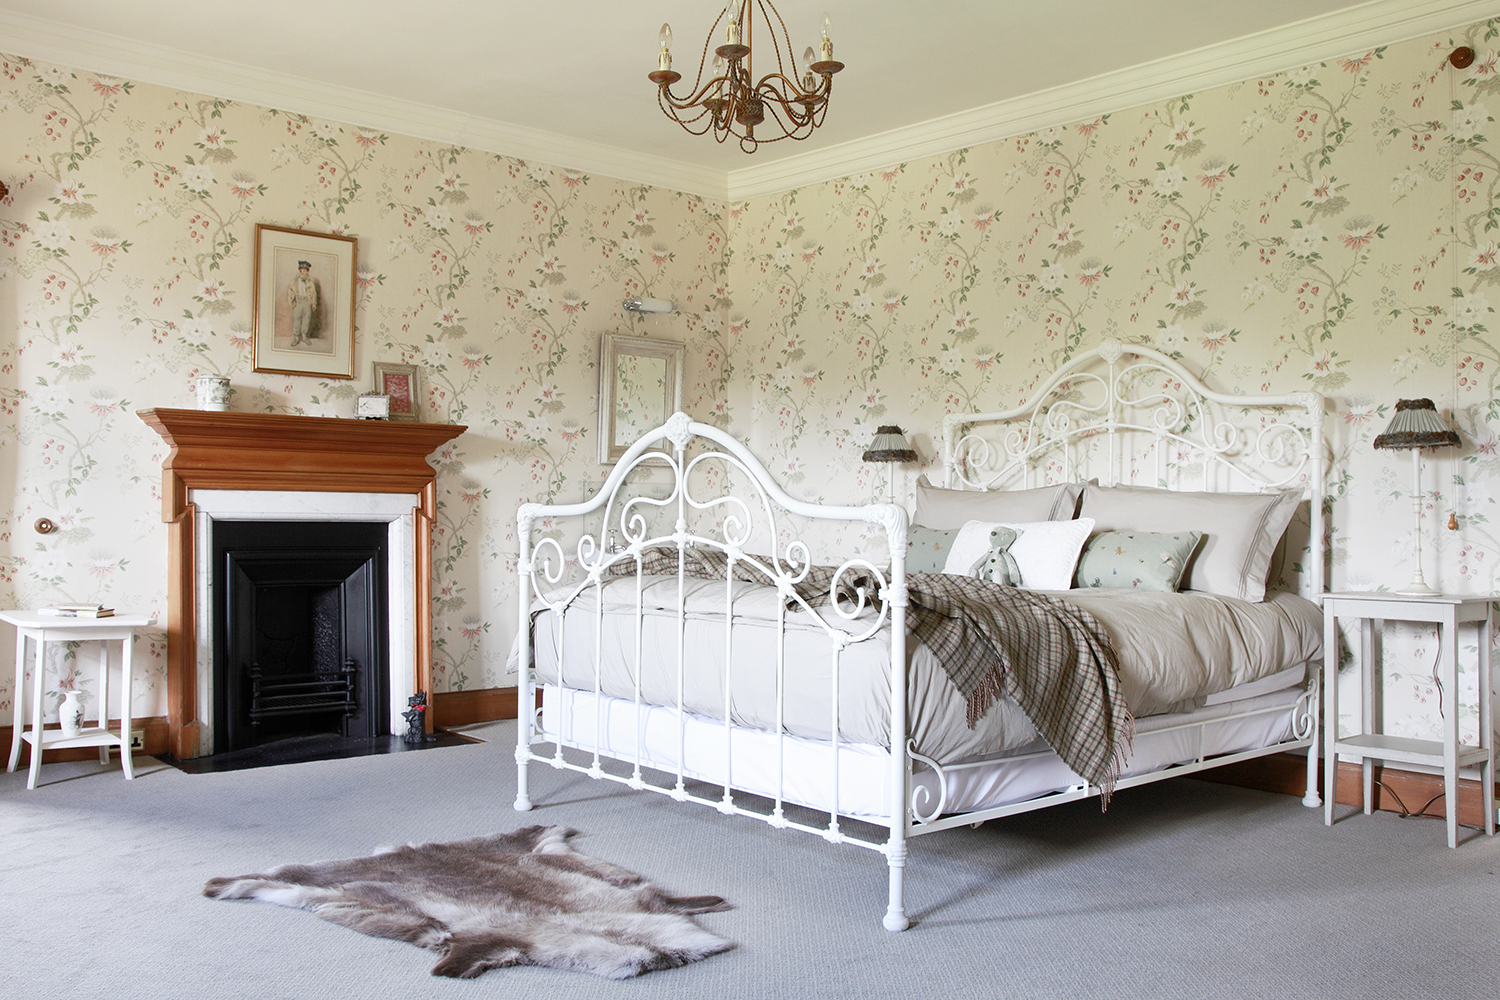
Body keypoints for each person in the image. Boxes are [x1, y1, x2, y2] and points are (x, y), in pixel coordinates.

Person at [286, 259, 320, 346]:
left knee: (306, 320)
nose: (304, 272)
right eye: (302, 271)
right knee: (297, 319)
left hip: (307, 302)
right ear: (300, 271)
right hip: (299, 302)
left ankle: (304, 336)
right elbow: (290, 293)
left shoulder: (310, 282)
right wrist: (292, 303)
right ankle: (296, 337)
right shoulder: (294, 282)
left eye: (305, 271)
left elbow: (313, 294)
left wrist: (313, 303)